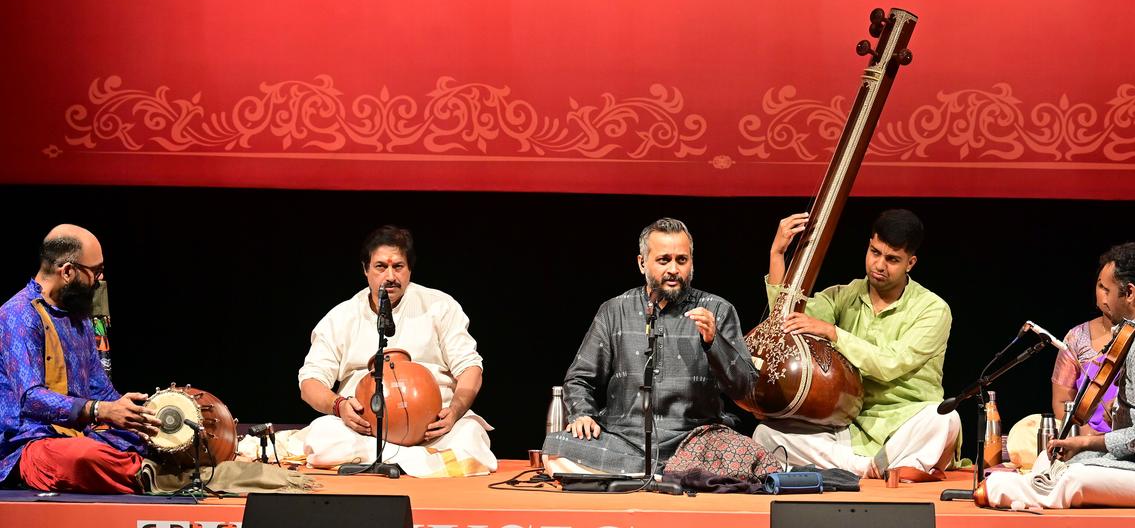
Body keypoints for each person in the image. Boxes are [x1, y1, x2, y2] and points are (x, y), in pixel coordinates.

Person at [984, 242, 1135, 509]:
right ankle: (1030, 485)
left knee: (1075, 476)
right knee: (1056, 461)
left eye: (1106, 290)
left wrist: (1087, 441)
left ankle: (1002, 490)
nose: (1102, 299)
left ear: (1129, 292)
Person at [752, 209, 959, 480]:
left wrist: (834, 333)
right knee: (765, 435)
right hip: (850, 428)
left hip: (906, 424)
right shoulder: (842, 296)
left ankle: (869, 465)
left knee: (944, 418)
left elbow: (889, 364)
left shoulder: (932, 309)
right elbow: (787, 320)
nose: (879, 265)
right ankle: (874, 468)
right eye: (875, 252)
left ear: (911, 263)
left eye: (893, 259)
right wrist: (777, 255)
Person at [541, 217, 759, 475]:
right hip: (623, 440)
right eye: (664, 260)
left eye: (682, 260)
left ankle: (636, 476)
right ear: (642, 262)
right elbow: (579, 379)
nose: (674, 270)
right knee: (557, 446)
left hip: (697, 441)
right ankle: (672, 475)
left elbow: (746, 387)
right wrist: (583, 415)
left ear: (691, 262)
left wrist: (714, 342)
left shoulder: (717, 310)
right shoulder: (614, 310)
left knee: (750, 456)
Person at [297, 225, 496, 477]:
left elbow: (470, 367)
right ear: (365, 269)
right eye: (381, 266)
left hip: (434, 434)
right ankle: (417, 464)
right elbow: (310, 382)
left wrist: (455, 411)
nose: (390, 276)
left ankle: (389, 461)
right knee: (322, 435)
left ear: (409, 270)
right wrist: (339, 406)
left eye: (398, 266)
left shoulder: (440, 306)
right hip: (365, 434)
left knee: (471, 438)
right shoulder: (341, 317)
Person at [0, 225, 159, 493]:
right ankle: (151, 473)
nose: (100, 278)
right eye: (95, 271)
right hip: (31, 444)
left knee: (150, 437)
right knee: (83, 458)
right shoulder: (18, 315)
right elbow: (30, 399)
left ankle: (145, 465)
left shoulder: (79, 318)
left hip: (79, 434)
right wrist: (98, 410)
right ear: (68, 271)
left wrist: (136, 415)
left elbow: (99, 388)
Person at [1051, 272, 1121, 433]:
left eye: (1113, 288)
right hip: (1085, 437)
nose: (1105, 295)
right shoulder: (1077, 337)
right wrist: (1084, 434)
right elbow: (1062, 402)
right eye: (1101, 286)